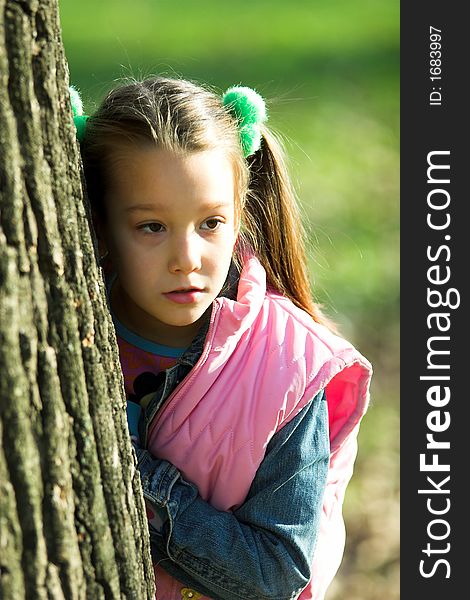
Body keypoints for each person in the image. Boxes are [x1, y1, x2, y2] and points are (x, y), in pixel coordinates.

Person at [72, 77, 372, 600]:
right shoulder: (66, 328)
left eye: (210, 223)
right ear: (97, 224)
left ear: (238, 215)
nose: (187, 258)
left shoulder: (287, 368)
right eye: (151, 227)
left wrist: (135, 478)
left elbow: (276, 575)